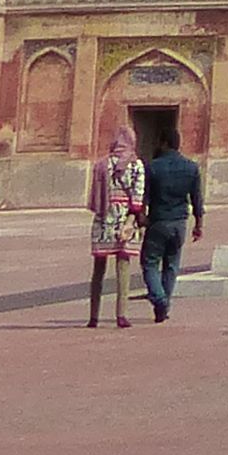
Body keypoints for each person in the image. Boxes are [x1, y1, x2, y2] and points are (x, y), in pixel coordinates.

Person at [136, 131, 205, 320]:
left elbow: (145, 195)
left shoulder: (153, 167)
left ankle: (160, 300)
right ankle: (163, 306)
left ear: (165, 142)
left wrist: (141, 215)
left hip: (158, 221)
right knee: (171, 265)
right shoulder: (191, 167)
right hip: (179, 223)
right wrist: (198, 224)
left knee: (149, 263)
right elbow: (197, 199)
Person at [86, 125, 145, 329]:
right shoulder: (135, 165)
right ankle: (121, 314)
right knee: (123, 267)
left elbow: (93, 196)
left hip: (103, 218)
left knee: (98, 270)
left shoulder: (101, 164)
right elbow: (137, 197)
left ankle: (93, 316)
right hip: (123, 219)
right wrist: (132, 221)